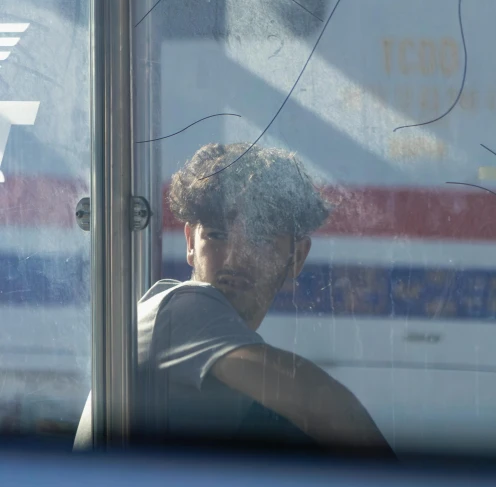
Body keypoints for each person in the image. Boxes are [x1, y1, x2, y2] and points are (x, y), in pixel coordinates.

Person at [74, 143, 392, 455]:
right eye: (216, 234)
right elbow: (325, 405)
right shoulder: (182, 309)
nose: (234, 258)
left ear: (297, 256)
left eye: (260, 238)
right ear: (189, 242)